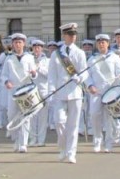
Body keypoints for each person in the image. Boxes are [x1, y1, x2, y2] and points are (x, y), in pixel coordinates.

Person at [48, 22, 88, 164]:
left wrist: (80, 78)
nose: (72, 37)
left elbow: (85, 71)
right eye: (70, 35)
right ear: (64, 36)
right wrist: (51, 90)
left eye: (74, 35)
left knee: (73, 125)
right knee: (59, 122)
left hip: (75, 92)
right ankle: (63, 148)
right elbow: (52, 74)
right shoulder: (56, 54)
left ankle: (71, 153)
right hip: (60, 92)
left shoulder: (80, 53)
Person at [86, 33, 120, 153]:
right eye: (99, 43)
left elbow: (119, 71)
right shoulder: (92, 59)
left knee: (109, 118)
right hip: (96, 91)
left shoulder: (114, 58)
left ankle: (108, 143)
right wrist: (90, 85)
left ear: (108, 43)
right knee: (94, 115)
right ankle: (97, 141)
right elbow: (88, 75)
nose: (101, 44)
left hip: (110, 92)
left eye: (103, 42)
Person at [0, 33, 38, 153]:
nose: (17, 44)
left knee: (25, 117)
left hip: (25, 89)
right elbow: (4, 75)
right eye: (15, 42)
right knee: (12, 115)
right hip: (13, 90)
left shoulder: (29, 57)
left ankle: (23, 143)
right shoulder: (9, 58)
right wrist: (6, 82)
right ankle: (16, 139)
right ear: (12, 44)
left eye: (20, 42)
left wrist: (33, 73)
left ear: (24, 44)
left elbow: (35, 74)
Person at [29, 39, 52, 147]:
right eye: (34, 47)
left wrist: (39, 68)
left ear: (42, 48)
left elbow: (49, 75)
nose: (36, 49)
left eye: (38, 47)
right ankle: (33, 138)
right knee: (33, 116)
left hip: (43, 90)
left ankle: (41, 140)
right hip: (32, 90)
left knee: (43, 117)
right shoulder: (29, 59)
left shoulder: (47, 60)